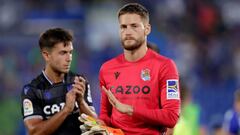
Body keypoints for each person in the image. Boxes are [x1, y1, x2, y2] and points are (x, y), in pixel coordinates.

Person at [99, 3, 180, 135]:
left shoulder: (166, 66)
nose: (128, 32)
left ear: (147, 29)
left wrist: (131, 110)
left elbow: (171, 117)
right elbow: (105, 114)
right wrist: (99, 125)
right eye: (123, 27)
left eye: (134, 26)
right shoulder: (107, 69)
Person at [21, 28, 97, 135]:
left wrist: (81, 102)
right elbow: (35, 132)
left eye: (70, 52)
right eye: (63, 53)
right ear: (46, 55)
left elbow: (96, 125)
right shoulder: (32, 90)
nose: (69, 58)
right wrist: (66, 110)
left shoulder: (79, 81)